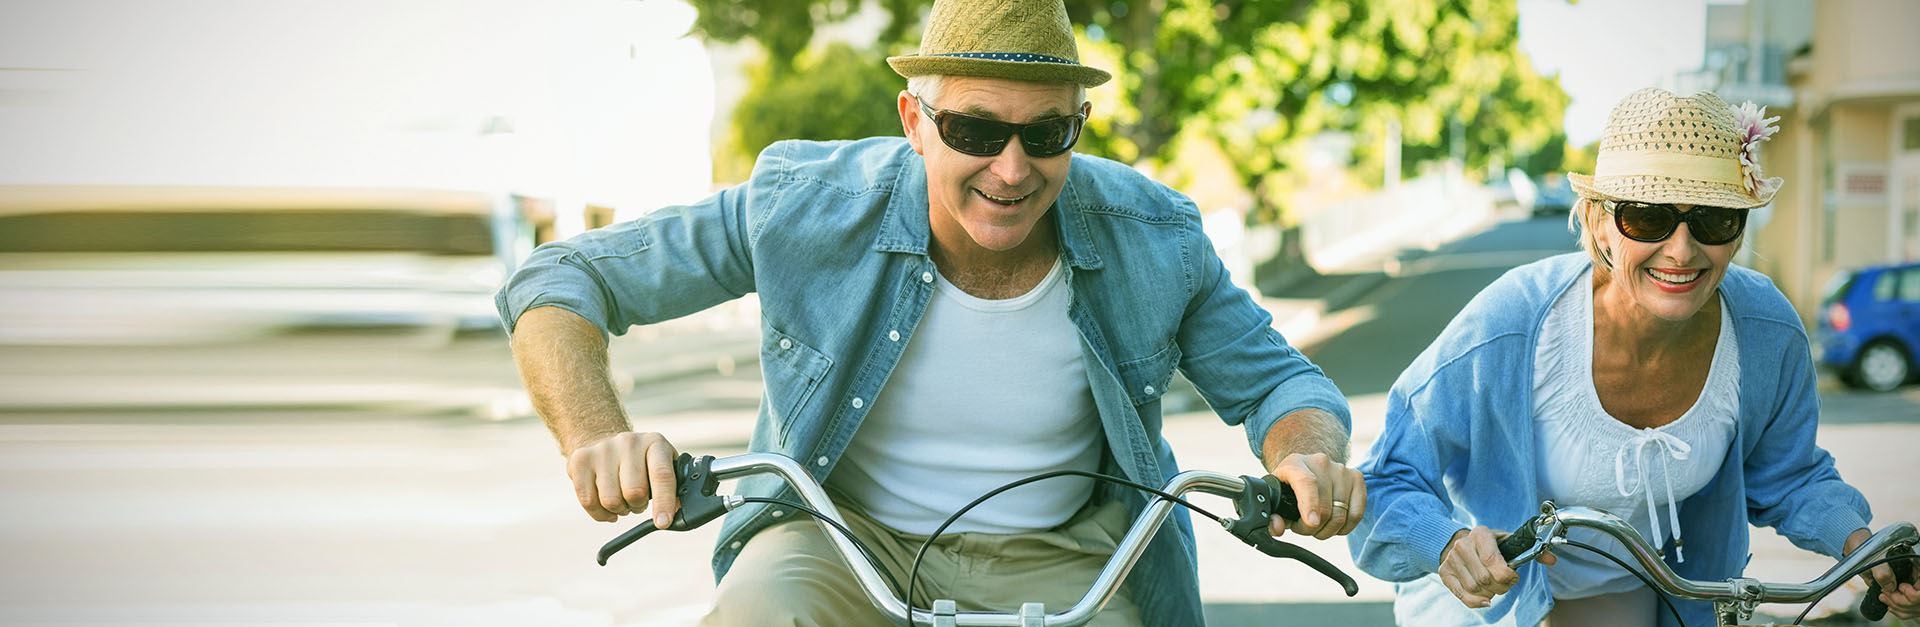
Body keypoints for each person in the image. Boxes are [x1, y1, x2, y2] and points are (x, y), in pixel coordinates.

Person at [495, 1, 1364, 624]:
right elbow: (561, 277)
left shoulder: (1154, 234)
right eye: (978, 132)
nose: (1013, 168)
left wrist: (1307, 459)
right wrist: (595, 436)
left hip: (1070, 558)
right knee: (759, 609)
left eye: (1047, 134)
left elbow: (1282, 384)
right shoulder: (804, 206)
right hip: (842, 542)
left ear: (1080, 126)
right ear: (916, 120)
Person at [1347, 87, 1919, 625]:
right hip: (1486, 602)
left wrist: (1862, 544)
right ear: (1599, 220)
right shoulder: (1511, 326)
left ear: (1739, 230)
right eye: (1647, 216)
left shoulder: (1766, 329)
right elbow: (1389, 480)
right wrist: (1446, 544)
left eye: (1713, 219)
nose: (1681, 250)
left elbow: (1789, 474)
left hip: (1626, 597)